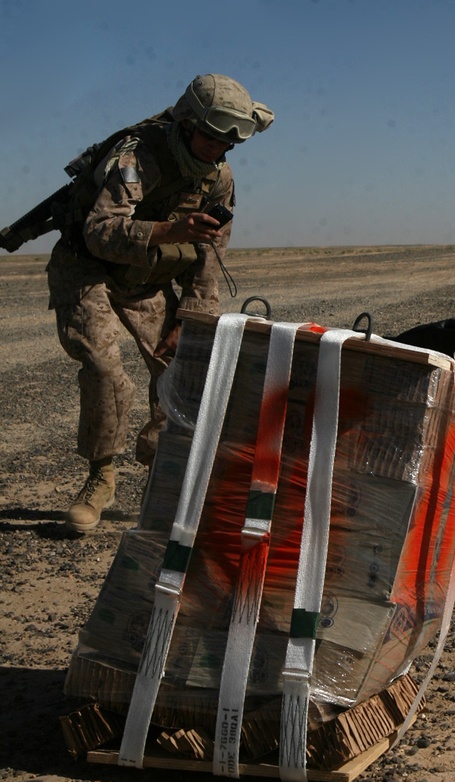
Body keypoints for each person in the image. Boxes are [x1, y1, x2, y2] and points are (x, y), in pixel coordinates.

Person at [47, 74, 274, 533]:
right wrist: (167, 231)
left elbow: (210, 257)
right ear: (188, 123)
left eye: (228, 141)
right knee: (104, 368)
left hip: (146, 282)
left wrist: (191, 322)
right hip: (88, 270)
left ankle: (159, 474)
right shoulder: (136, 159)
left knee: (182, 370)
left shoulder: (219, 178)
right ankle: (101, 477)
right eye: (211, 136)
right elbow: (98, 230)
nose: (218, 148)